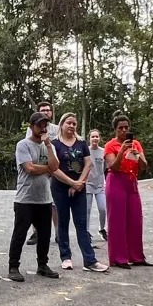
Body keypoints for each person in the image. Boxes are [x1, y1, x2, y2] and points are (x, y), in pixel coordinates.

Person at [51, 113, 108, 273]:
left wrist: (79, 183)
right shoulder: (54, 144)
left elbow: (88, 163)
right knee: (62, 222)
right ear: (62, 124)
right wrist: (71, 183)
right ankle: (65, 257)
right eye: (69, 123)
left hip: (80, 188)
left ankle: (89, 260)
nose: (71, 126)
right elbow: (53, 168)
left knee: (82, 224)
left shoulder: (82, 143)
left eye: (74, 124)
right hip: (60, 188)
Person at [8, 111, 60, 282]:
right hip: (25, 198)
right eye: (39, 124)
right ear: (31, 127)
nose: (43, 127)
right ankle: (13, 266)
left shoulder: (48, 145)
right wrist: (48, 168)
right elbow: (30, 168)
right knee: (20, 234)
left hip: (44, 198)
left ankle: (42, 265)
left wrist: (49, 146)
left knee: (45, 234)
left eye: (45, 124)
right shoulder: (23, 145)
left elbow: (56, 165)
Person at [103, 114, 151, 269]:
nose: (124, 131)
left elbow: (144, 166)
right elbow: (113, 167)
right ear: (115, 130)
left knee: (135, 219)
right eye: (120, 128)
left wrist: (138, 155)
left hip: (131, 182)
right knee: (117, 221)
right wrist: (122, 151)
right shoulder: (110, 145)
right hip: (116, 182)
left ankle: (136, 256)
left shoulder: (136, 144)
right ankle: (119, 258)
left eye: (126, 128)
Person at [25, 101, 58, 245]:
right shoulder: (31, 130)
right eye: (43, 110)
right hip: (40, 165)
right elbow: (29, 147)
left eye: (48, 110)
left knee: (54, 203)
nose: (46, 112)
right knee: (35, 201)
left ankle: (58, 233)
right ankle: (35, 232)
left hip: (53, 163)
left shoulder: (56, 129)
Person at [86, 129, 107, 241]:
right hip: (88, 184)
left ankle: (102, 229)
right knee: (87, 210)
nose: (95, 138)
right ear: (89, 138)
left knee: (102, 208)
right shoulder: (86, 151)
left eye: (97, 136)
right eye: (93, 136)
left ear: (99, 138)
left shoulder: (103, 151)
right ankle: (86, 231)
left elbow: (107, 168)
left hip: (100, 184)